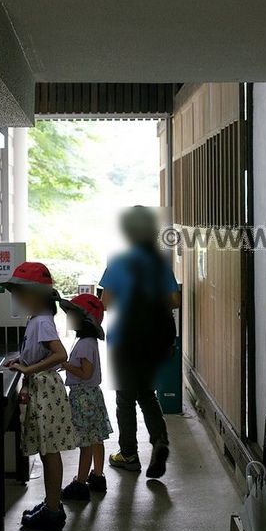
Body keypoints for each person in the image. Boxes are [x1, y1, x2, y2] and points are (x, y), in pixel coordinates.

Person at [99, 206, 180, 479]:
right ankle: (160, 440)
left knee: (125, 399)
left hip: (126, 340)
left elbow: (106, 302)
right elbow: (175, 301)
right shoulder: (159, 263)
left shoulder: (120, 262)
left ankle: (129, 454)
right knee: (146, 394)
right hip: (154, 341)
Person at [2, 261, 78, 531]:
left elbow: (60, 355)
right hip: (41, 387)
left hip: (45, 389)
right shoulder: (37, 320)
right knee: (47, 450)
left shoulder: (43, 321)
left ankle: (54, 511)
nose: (17, 299)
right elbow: (38, 351)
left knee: (49, 450)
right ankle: (51, 503)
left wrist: (27, 368)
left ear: (35, 295)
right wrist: (19, 359)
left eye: (20, 293)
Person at [58, 293, 112, 501]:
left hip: (83, 397)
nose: (68, 318)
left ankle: (80, 483)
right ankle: (97, 476)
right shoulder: (87, 341)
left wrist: (64, 364)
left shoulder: (85, 344)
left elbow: (85, 373)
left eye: (71, 314)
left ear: (84, 320)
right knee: (96, 438)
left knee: (86, 443)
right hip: (92, 395)